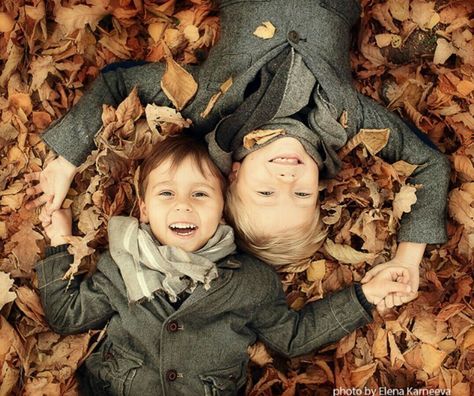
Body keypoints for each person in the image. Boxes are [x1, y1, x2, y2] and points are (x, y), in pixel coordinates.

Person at [27, 0, 451, 309]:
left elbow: (119, 82)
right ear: (320, 187)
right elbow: (430, 163)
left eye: (266, 194)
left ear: (233, 175)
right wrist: (407, 258)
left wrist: (67, 159)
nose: (287, 183)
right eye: (302, 196)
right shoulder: (347, 120)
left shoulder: (209, 102)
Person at [37, 135, 413, 396]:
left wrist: (364, 297)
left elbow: (293, 337)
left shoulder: (250, 281)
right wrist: (58, 242)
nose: (183, 204)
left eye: (200, 194)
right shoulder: (121, 265)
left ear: (222, 208)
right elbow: (68, 316)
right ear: (146, 209)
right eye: (167, 193)